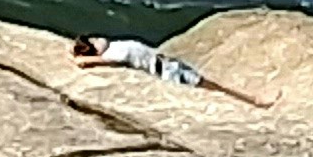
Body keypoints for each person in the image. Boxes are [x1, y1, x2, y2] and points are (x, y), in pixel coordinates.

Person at [71, 34, 272, 108]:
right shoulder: (111, 55)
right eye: (94, 41)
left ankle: (252, 100)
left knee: (210, 85)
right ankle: (254, 101)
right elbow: (84, 62)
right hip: (168, 72)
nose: (98, 38)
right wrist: (83, 57)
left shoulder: (112, 45)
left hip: (168, 64)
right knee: (210, 86)